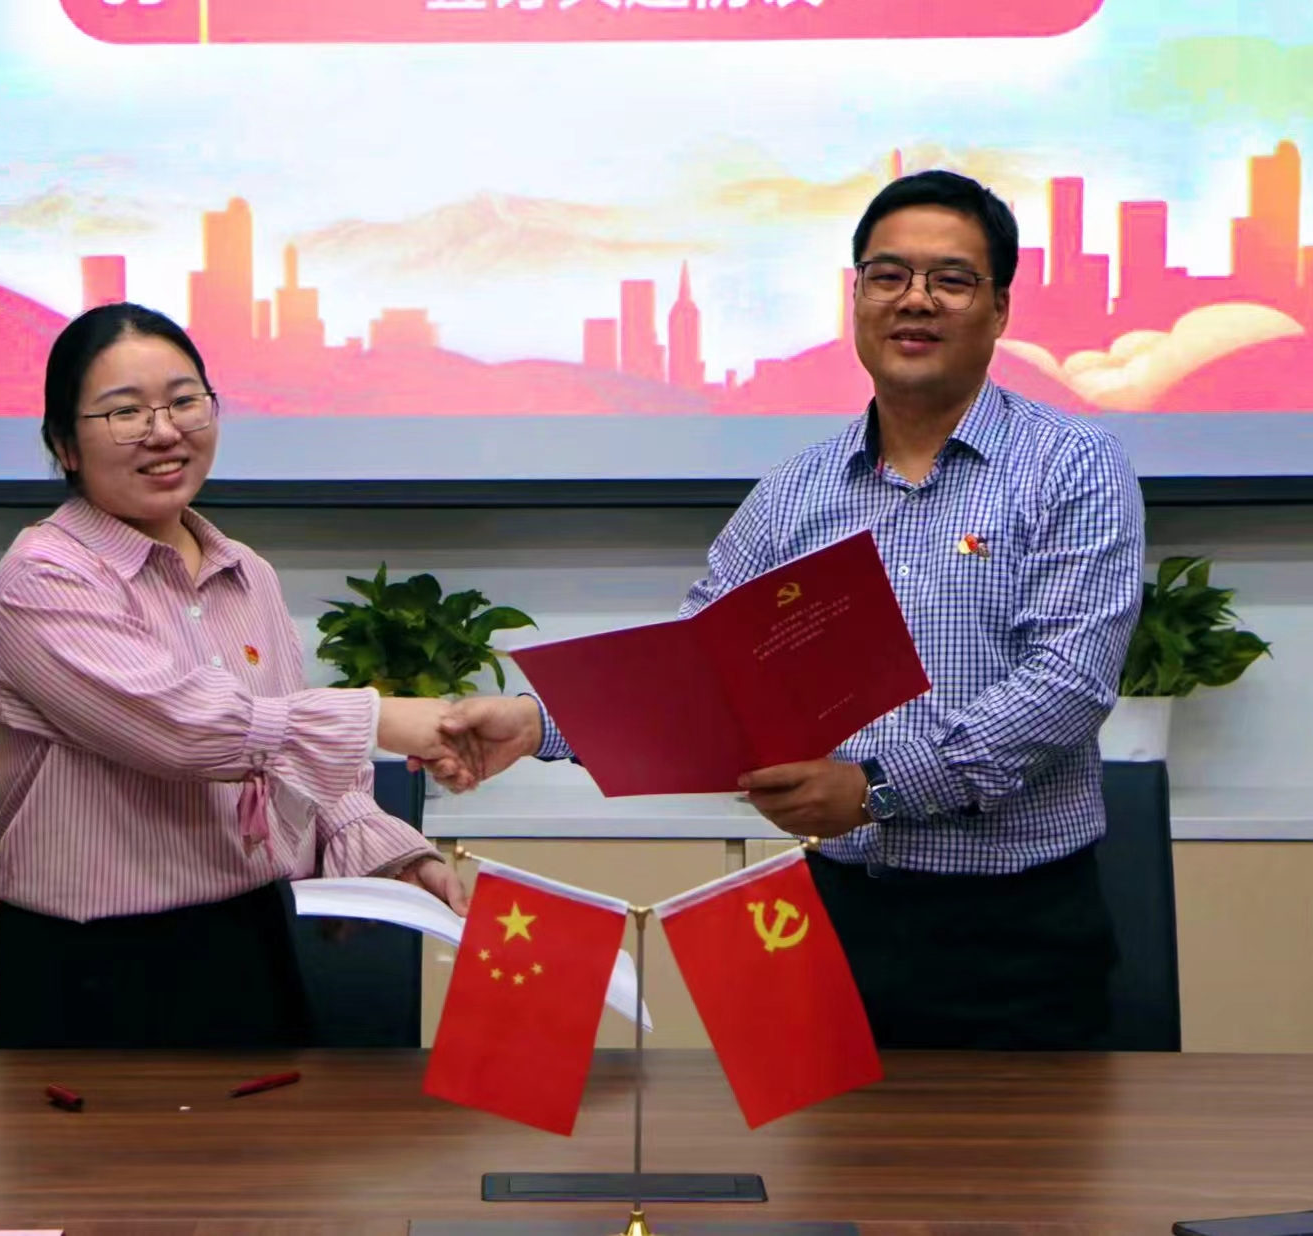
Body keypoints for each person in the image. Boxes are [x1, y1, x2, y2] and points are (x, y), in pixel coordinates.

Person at [422, 170, 1145, 1051]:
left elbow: (1067, 684)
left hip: (1018, 932)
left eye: (951, 280)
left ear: (999, 309)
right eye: (888, 275)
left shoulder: (1072, 464)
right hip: (836, 919)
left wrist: (877, 787)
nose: (915, 300)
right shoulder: (796, 492)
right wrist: (538, 723)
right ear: (856, 297)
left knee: (1024, 1149)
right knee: (832, 1145)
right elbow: (694, 671)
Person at [0, 302, 471, 1050]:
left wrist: (387, 852)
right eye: (125, 412)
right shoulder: (43, 577)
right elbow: (184, 727)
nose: (164, 432)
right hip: (93, 971)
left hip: (248, 941)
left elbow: (294, 762)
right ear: (64, 445)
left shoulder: (248, 573)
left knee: (275, 1133)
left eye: (185, 401)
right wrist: (383, 717)